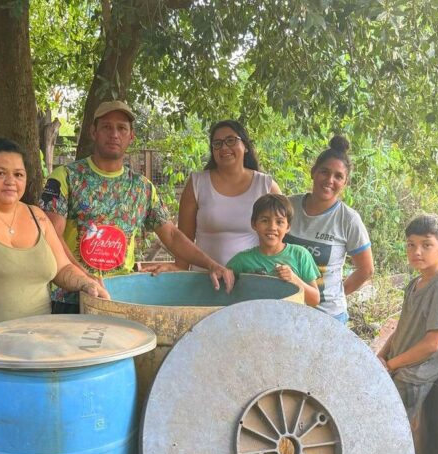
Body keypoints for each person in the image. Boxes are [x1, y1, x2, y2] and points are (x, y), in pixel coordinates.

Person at [0, 138, 107, 396]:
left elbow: (61, 269)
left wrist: (85, 283)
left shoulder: (37, 216)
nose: (10, 181)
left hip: (34, 351)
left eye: (18, 174)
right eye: (0, 173)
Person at [41, 100, 233, 313]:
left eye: (122, 128)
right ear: (93, 132)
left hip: (120, 300)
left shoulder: (142, 188)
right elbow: (52, 236)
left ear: (131, 136)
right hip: (71, 300)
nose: (114, 134)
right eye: (106, 127)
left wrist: (211, 264)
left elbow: (171, 234)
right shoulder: (66, 177)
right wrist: (83, 278)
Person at [377, 214, 438, 429]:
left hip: (412, 377)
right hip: (397, 368)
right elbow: (403, 326)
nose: (416, 252)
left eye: (427, 245)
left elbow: (431, 345)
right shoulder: (416, 283)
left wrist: (390, 365)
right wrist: (381, 356)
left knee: (392, 433)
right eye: (411, 245)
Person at [285, 136, 374, 323]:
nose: (330, 180)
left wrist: (337, 293)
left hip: (327, 316)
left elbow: (365, 270)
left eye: (338, 176)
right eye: (324, 172)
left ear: (345, 183)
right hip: (286, 308)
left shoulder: (348, 220)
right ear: (313, 172)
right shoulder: (288, 206)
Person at [176, 119, 281, 269]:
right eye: (217, 143)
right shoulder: (197, 183)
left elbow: (280, 239)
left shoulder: (266, 186)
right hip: (202, 281)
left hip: (251, 280)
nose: (224, 147)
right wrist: (180, 278)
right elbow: (183, 241)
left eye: (231, 140)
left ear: (245, 146)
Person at [227, 194, 320, 306]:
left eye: (279, 222)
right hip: (252, 321)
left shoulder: (300, 255)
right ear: (254, 224)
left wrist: (294, 279)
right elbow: (225, 291)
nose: (272, 227)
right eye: (265, 220)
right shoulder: (241, 260)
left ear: (288, 226)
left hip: (290, 321)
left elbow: (314, 300)